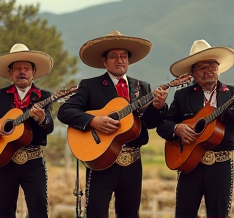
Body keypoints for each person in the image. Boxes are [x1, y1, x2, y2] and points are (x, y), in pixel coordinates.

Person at [57, 30, 168, 218]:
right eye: (114, 56)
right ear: (104, 61)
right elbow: (64, 111)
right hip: (100, 159)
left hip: (132, 162)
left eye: (124, 56)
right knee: (96, 213)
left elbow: (149, 123)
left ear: (129, 60)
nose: (120, 60)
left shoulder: (143, 87)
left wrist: (158, 106)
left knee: (129, 213)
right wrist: (93, 121)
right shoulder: (90, 86)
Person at [157, 39, 234, 218]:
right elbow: (163, 126)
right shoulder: (183, 95)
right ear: (193, 73)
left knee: (219, 214)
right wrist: (178, 129)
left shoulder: (233, 93)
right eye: (203, 67)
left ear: (218, 68)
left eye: (213, 65)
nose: (209, 71)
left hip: (220, 165)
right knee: (184, 214)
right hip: (189, 164)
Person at [0, 43, 54, 218]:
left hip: (33, 161)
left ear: (33, 72)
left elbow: (49, 127)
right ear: (10, 73)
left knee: (39, 211)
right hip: (4, 162)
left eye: (26, 68)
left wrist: (41, 119)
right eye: (17, 68)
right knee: (4, 212)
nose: (21, 72)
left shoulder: (44, 97)